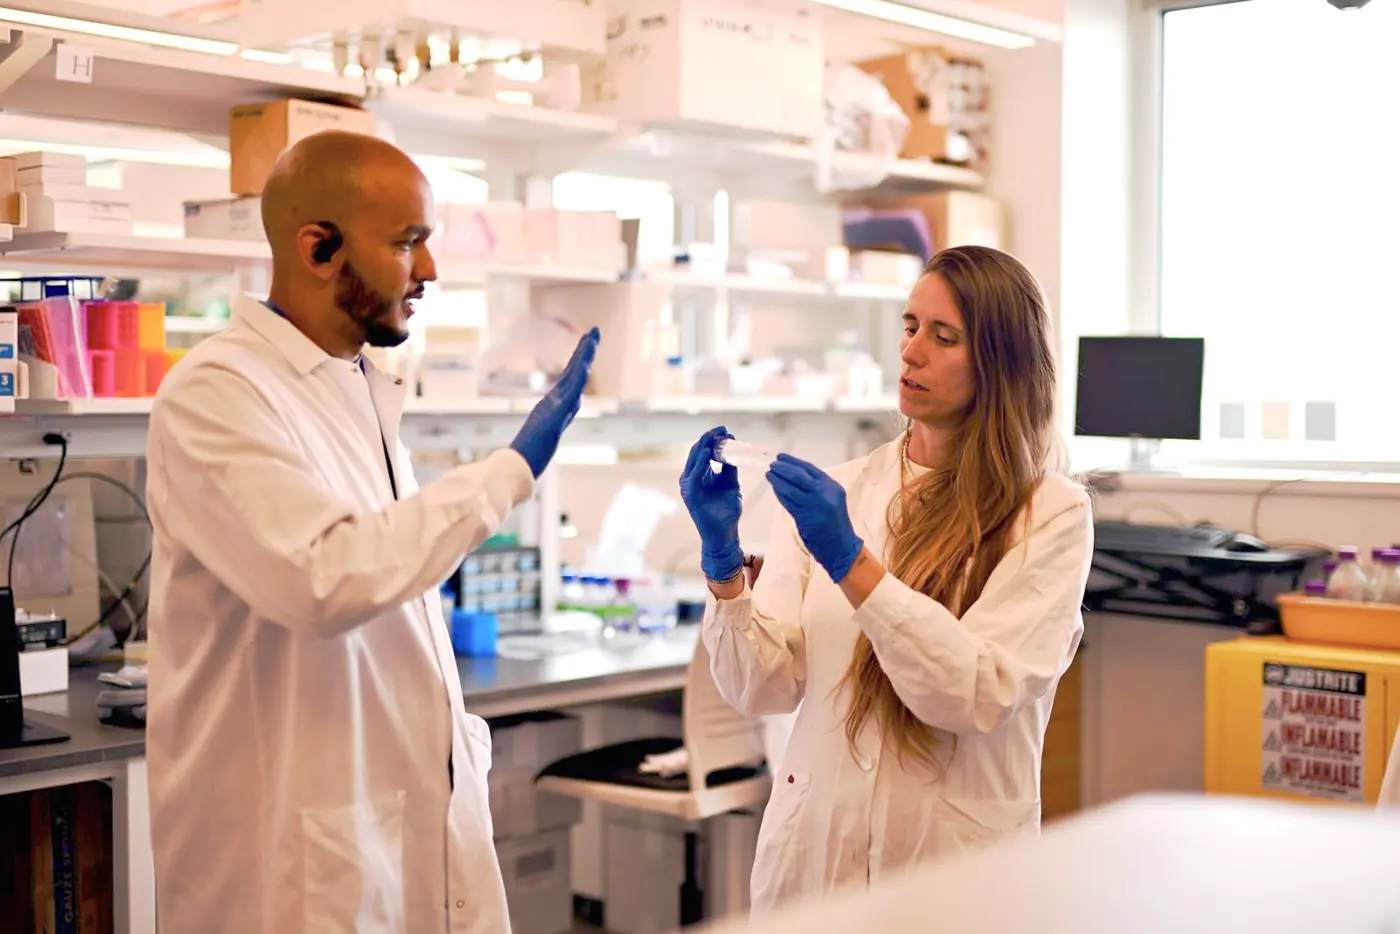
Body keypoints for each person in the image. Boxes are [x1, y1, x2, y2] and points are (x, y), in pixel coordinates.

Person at [144, 130, 600, 934]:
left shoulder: (361, 385)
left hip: (385, 839)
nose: (428, 271)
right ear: (319, 248)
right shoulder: (215, 393)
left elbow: (389, 567)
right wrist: (512, 467)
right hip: (286, 869)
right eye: (407, 243)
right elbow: (325, 577)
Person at [679, 245, 1093, 911]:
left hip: (950, 876)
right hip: (814, 867)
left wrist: (852, 563)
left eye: (944, 336)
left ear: (1001, 363)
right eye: (909, 327)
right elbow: (764, 686)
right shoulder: (845, 491)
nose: (911, 352)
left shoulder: (1050, 514)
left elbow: (972, 694)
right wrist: (723, 564)